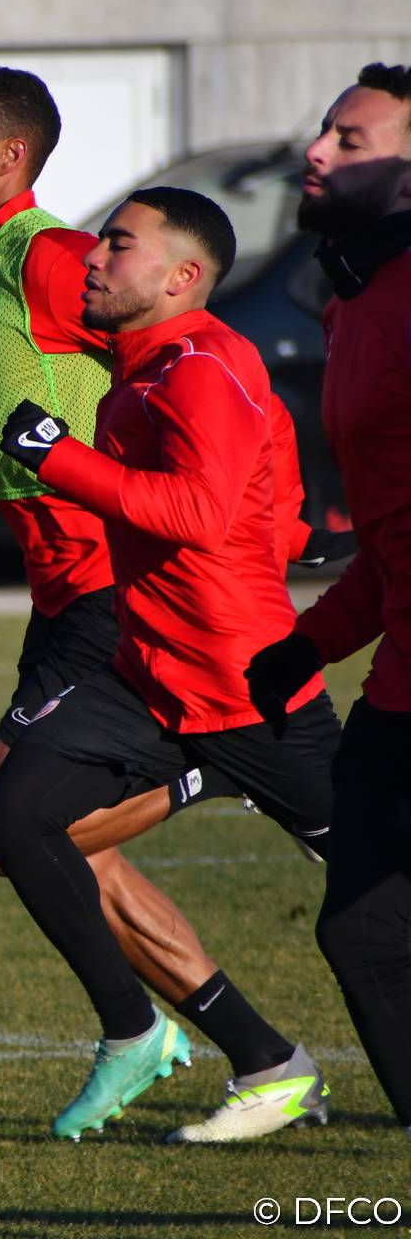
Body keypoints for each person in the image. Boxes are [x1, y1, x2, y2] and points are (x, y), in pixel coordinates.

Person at [0, 66, 335, 1141]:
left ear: (10, 160)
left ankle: (164, 983)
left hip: (112, 597)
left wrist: (277, 526)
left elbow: (197, 355)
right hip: (61, 602)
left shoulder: (60, 261)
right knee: (23, 838)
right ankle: (260, 1052)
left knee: (11, 826)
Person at [0, 186, 339, 1142]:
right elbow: (272, 482)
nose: (95, 256)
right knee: (10, 821)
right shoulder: (146, 365)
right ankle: (177, 1040)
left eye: (119, 244)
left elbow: (197, 513)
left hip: (245, 690)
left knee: (379, 886)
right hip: (149, 680)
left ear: (182, 278)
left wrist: (60, 460)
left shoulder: (202, 363)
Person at [247, 62, 411, 1138]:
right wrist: (305, 643)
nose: (318, 150)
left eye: (350, 141)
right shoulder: (359, 298)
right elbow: (396, 544)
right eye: (324, 132)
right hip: (398, 697)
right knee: (363, 933)